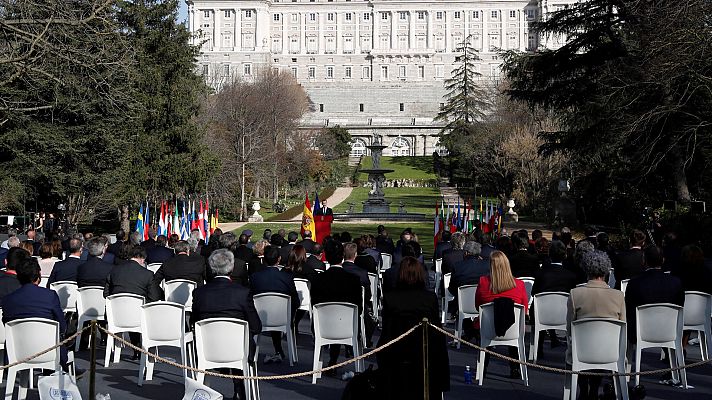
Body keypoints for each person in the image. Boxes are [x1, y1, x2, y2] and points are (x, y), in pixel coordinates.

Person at [191, 249, 261, 400]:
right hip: (238, 350)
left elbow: (194, 322)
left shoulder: (199, 293)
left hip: (208, 348)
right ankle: (239, 387)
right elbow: (256, 326)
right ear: (231, 267)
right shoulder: (242, 292)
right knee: (241, 340)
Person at [377, 256, 450, 398]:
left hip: (400, 352)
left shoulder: (391, 298)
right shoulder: (429, 298)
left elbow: (387, 331)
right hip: (422, 351)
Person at [566, 250, 625, 400]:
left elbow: (570, 328)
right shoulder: (618, 296)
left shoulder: (575, 293)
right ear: (606, 271)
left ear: (586, 269)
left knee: (578, 345)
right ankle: (593, 389)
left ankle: (584, 389)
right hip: (609, 352)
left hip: (582, 351)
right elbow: (623, 327)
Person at [624, 245, 684, 385]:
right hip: (669, 331)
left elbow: (628, 309)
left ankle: (625, 372)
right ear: (663, 260)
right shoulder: (676, 282)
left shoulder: (634, 283)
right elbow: (680, 306)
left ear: (644, 261)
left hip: (639, 332)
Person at [2, 257, 69, 368]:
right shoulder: (49, 296)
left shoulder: (8, 299)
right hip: (48, 351)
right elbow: (62, 326)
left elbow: (6, 323)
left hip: (17, 352)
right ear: (38, 274)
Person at [310, 240, 362, 374]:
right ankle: (335, 360)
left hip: (323, 326)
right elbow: (359, 308)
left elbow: (314, 305)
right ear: (343, 256)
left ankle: (333, 360)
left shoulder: (318, 280)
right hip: (348, 326)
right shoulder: (353, 280)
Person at [474, 251, 529, 378]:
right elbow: (524, 310)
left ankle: (484, 366)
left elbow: (478, 306)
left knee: (483, 323)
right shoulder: (519, 285)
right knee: (512, 320)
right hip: (513, 329)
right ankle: (515, 367)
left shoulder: (483, 282)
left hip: (488, 328)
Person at [104, 245, 161, 359]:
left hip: (116, 315)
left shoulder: (114, 271)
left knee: (133, 309)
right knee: (143, 310)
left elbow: (106, 294)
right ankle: (147, 351)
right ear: (142, 258)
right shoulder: (147, 274)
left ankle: (136, 348)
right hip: (138, 316)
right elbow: (154, 298)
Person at [249, 246, 299, 363]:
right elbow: (296, 301)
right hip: (281, 317)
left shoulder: (255, 277)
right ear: (279, 259)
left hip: (261, 316)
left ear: (264, 260)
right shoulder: (286, 277)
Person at [342, 242, 375, 347]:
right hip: (356, 307)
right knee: (370, 321)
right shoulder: (361, 273)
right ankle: (366, 340)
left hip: (337, 306)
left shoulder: (338, 270)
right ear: (355, 255)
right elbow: (368, 295)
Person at [448, 241, 489, 320]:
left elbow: (452, 289)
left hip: (463, 303)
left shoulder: (457, 266)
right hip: (482, 303)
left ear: (466, 253)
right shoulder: (486, 265)